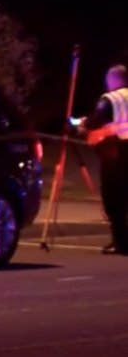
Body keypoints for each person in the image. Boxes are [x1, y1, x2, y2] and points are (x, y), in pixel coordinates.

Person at [79, 64, 128, 255]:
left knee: (114, 199)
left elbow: (97, 120)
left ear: (113, 81)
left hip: (118, 153)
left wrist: (82, 123)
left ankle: (122, 242)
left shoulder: (111, 99)